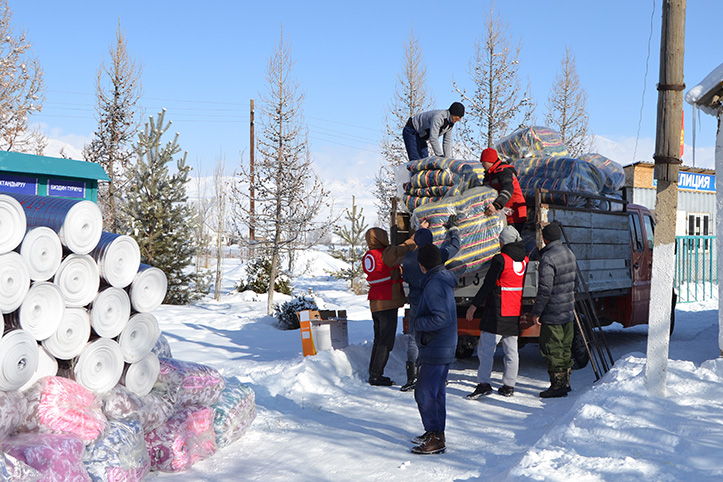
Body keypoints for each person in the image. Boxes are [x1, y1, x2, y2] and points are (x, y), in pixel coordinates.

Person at [465, 225, 528, 399]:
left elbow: (488, 284)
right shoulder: (524, 260)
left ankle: (484, 384)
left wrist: (474, 305)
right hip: (514, 309)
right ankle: (509, 385)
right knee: (511, 351)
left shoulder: (500, 259)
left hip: (497, 310)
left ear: (504, 241)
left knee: (486, 350)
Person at [400, 216, 461, 392]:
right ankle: (438, 374)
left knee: (413, 338)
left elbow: (405, 277)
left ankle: (412, 377)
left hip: (416, 301)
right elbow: (455, 247)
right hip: (433, 300)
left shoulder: (409, 258)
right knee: (436, 336)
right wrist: (454, 230)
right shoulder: (437, 255)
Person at [409, 243, 458, 455]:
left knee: (425, 392)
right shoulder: (441, 278)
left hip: (437, 345)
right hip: (441, 344)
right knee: (435, 392)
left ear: (422, 266)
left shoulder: (434, 284)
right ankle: (436, 432)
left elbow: (441, 317)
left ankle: (435, 437)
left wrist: (418, 323)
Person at [363, 227, 416, 386]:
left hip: (376, 303)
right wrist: (416, 236)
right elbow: (405, 248)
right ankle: (376, 376)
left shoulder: (369, 255)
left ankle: (374, 372)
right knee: (386, 342)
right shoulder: (385, 254)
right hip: (386, 302)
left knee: (379, 339)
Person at [531, 223, 577, 398]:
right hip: (567, 310)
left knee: (553, 348)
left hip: (553, 312)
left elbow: (545, 289)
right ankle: (566, 383)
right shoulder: (569, 253)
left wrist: (537, 312)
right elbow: (575, 282)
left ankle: (557, 387)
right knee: (566, 347)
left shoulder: (548, 258)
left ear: (545, 238)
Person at [480, 147, 527, 232]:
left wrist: (496, 205)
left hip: (514, 213)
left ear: (490, 161)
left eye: (484, 162)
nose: (482, 164)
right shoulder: (488, 175)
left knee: (511, 241)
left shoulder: (504, 172)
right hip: (502, 213)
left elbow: (508, 189)